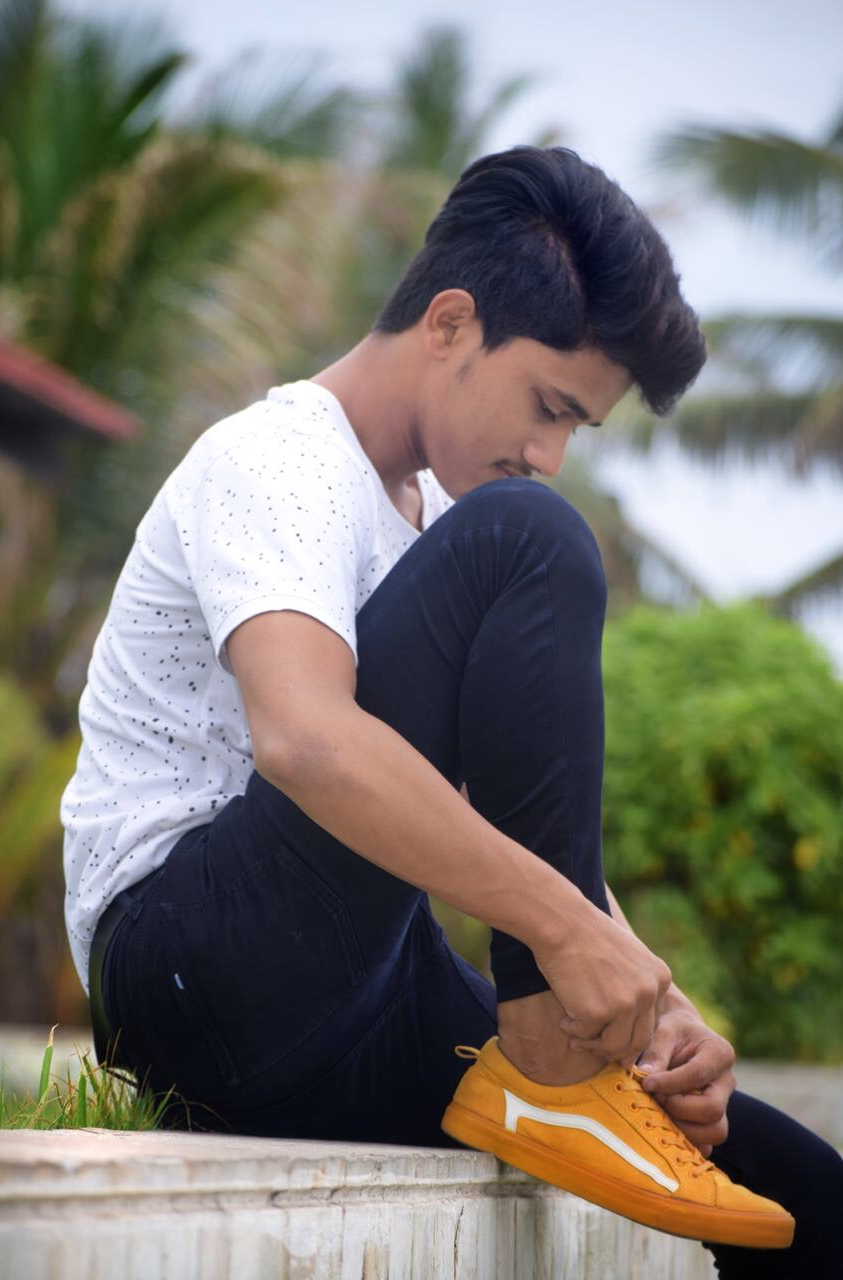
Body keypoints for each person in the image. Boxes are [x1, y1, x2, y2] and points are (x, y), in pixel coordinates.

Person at [61, 145, 842, 1275]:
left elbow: (504, 813)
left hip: (362, 985)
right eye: (548, 406)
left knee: (794, 1187)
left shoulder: (431, 518)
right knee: (534, 536)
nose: (548, 453)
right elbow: (305, 740)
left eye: (577, 428)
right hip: (189, 970)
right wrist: (566, 940)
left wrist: (645, 997)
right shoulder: (274, 459)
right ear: (449, 322)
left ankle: (561, 1062)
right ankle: (547, 1061)